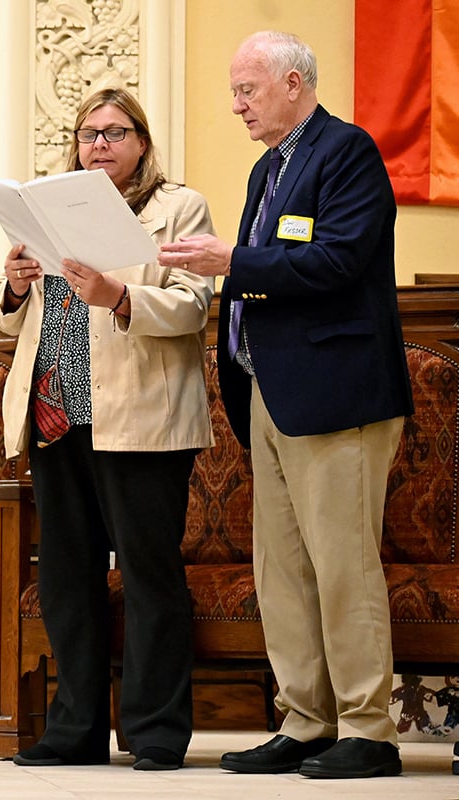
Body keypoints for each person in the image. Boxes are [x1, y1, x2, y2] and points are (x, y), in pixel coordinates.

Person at [158, 31, 413, 779]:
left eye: (249, 90)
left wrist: (231, 261)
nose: (236, 105)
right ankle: (305, 721)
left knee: (342, 566)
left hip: (337, 392)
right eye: (235, 91)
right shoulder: (269, 168)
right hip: (268, 391)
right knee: (285, 569)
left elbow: (337, 260)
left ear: (295, 84)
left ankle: (369, 729)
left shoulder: (348, 152)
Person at [0, 87, 215, 771]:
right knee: (67, 579)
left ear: (141, 142)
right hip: (56, 415)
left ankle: (154, 732)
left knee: (149, 577)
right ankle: (75, 729)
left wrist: (119, 296)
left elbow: (191, 308)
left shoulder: (177, 207)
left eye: (116, 133)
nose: (100, 144)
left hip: (140, 417)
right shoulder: (47, 209)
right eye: (90, 133)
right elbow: (7, 319)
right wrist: (16, 283)